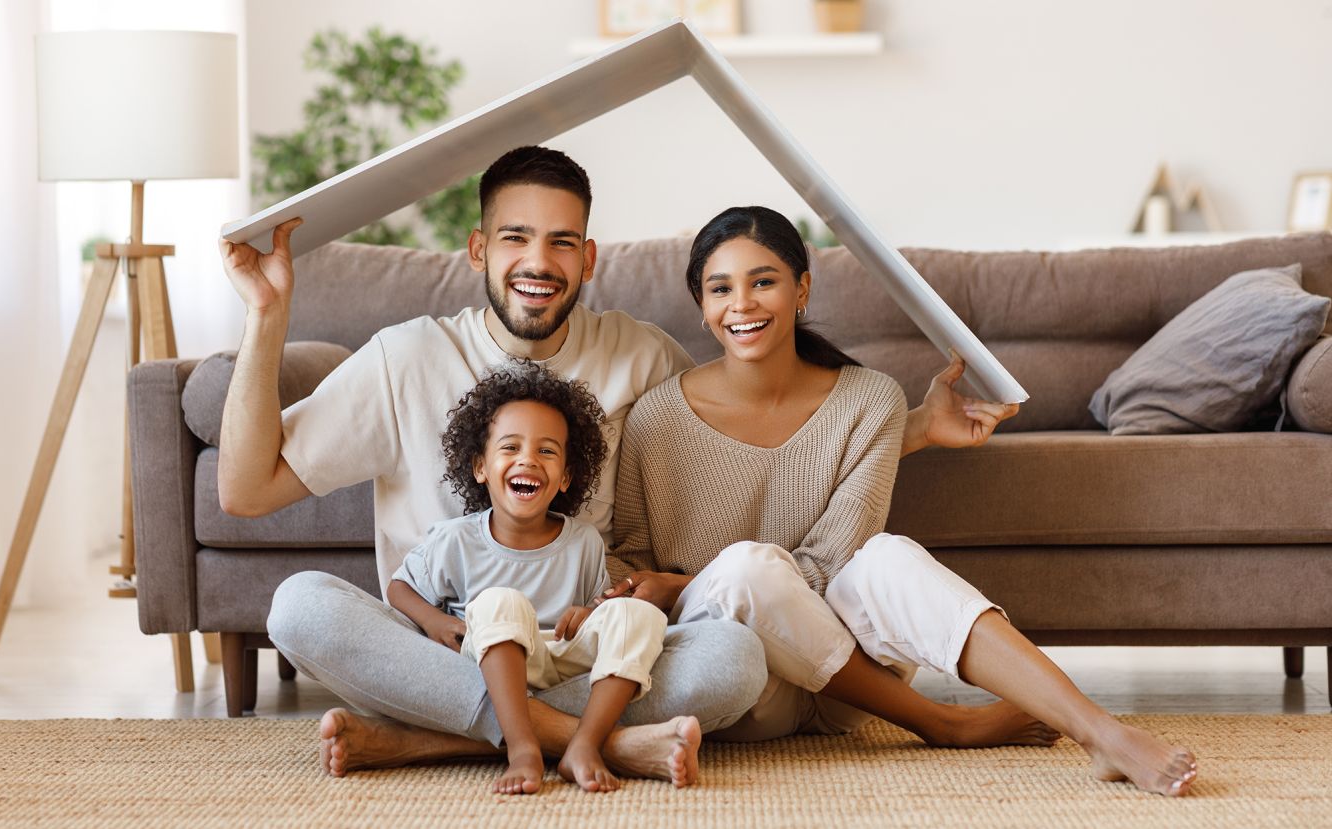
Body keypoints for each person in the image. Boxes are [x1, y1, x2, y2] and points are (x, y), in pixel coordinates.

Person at [603, 205, 1199, 797]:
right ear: (702, 308)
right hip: (743, 685)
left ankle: (1101, 732)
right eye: (720, 288)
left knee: (885, 556)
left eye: (764, 281)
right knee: (745, 568)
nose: (743, 304)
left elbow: (832, 564)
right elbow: (629, 561)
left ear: (802, 288)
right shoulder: (658, 417)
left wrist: (678, 582)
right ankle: (943, 722)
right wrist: (667, 591)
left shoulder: (869, 399)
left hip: (848, 691)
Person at [219, 146, 759, 785]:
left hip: (582, 655)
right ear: (478, 250)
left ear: (587, 259)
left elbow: (740, 462)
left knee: (737, 659)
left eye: (562, 242)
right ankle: (592, 743)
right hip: (435, 660)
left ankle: (427, 741)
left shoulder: (641, 357)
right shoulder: (407, 356)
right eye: (515, 238)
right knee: (298, 607)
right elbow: (246, 490)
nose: (538, 262)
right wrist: (265, 313)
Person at [389, 361, 690, 794]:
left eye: (547, 451)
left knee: (636, 614)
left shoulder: (583, 542)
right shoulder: (455, 540)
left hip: (564, 663)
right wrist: (434, 621)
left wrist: (588, 614)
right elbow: (399, 588)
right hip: (493, 659)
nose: (528, 459)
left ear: (566, 476)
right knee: (501, 601)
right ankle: (523, 746)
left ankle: (583, 744)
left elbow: (599, 618)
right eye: (510, 447)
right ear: (480, 467)